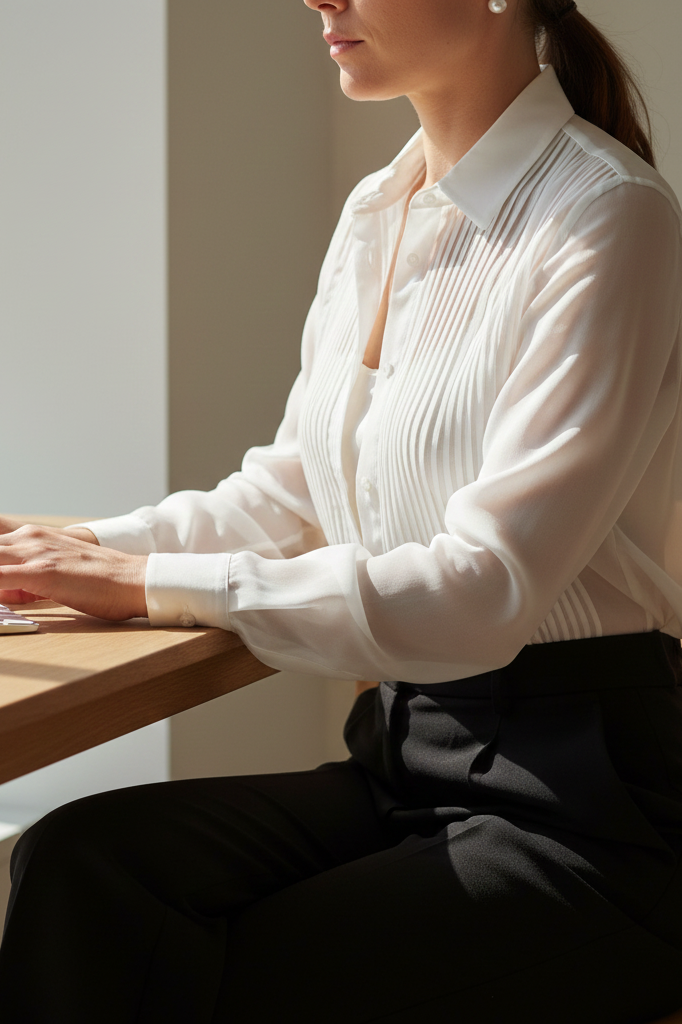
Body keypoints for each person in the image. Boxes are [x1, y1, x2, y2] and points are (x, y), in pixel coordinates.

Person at [0, 0, 681, 1020]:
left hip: (589, 804)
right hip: (403, 753)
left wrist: (148, 585)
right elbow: (295, 491)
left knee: (243, 976)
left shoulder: (608, 214)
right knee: (80, 863)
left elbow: (485, 588)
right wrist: (79, 547)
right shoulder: (381, 204)